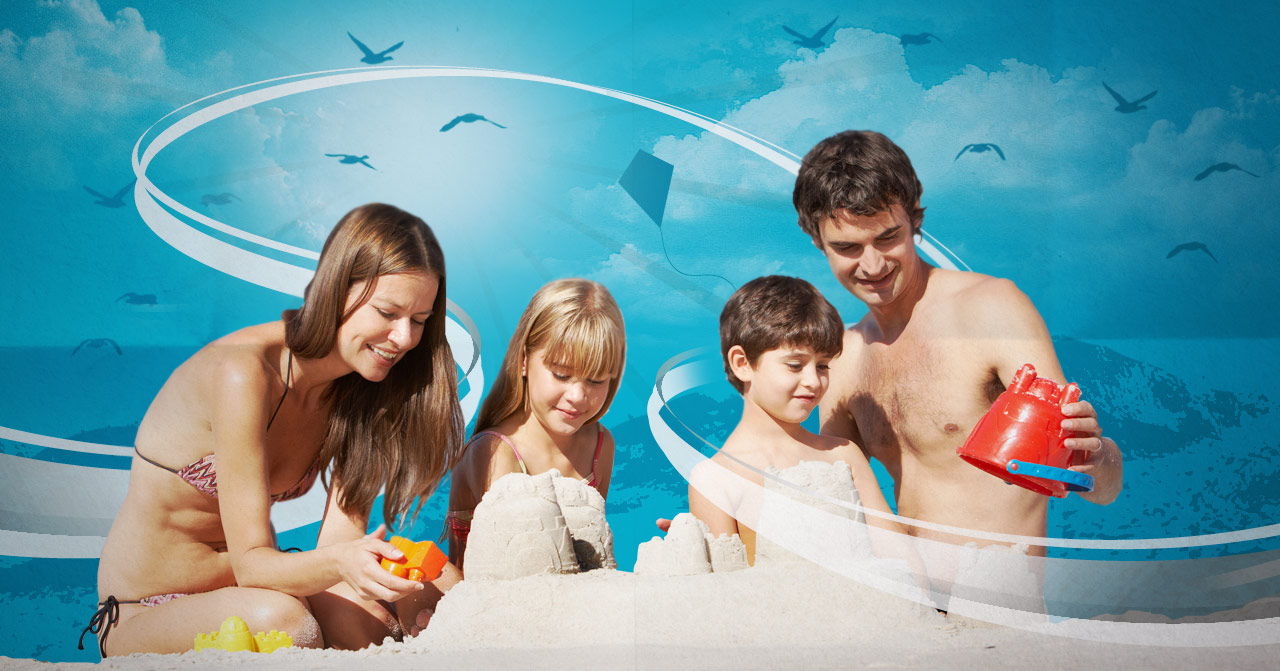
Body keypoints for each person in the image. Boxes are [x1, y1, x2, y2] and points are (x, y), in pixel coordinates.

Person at [82, 203, 466, 657]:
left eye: (419, 322)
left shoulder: (362, 391)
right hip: (148, 608)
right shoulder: (243, 374)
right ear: (337, 290)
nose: (404, 338)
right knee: (285, 622)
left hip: (262, 593)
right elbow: (252, 567)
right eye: (387, 313)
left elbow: (339, 546)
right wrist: (345, 568)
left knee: (433, 587)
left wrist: (381, 584)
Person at [791, 130, 1123, 557]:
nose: (872, 265)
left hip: (997, 613)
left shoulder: (991, 310)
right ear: (818, 241)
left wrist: (1093, 457)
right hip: (906, 612)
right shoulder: (843, 357)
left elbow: (1102, 487)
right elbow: (831, 500)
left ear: (915, 220)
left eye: (888, 237)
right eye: (848, 247)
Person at [688, 275, 911, 566]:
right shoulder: (716, 478)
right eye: (795, 365)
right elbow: (724, 592)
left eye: (822, 366)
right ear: (742, 364)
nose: (813, 381)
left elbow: (902, 563)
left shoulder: (843, 455)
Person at [445, 278, 625, 571]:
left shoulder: (600, 445)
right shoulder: (494, 452)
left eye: (596, 380)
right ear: (525, 361)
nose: (578, 396)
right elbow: (510, 570)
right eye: (562, 375)